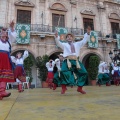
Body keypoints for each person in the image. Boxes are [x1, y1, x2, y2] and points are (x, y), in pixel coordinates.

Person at [54, 26, 91, 94]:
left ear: (72, 38)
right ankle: (64, 87)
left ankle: (80, 88)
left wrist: (88, 34)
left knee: (84, 72)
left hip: (76, 61)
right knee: (63, 72)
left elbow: (84, 41)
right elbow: (58, 43)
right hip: (67, 61)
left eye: (70, 36)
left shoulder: (77, 44)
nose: (69, 37)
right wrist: (56, 37)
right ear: (66, 39)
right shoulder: (64, 45)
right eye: (68, 37)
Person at [0, 21, 16, 100]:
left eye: (5, 31)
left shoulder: (9, 42)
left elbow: (13, 36)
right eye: (2, 31)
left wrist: (12, 28)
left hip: (6, 59)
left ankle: (2, 91)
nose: (3, 33)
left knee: (4, 75)